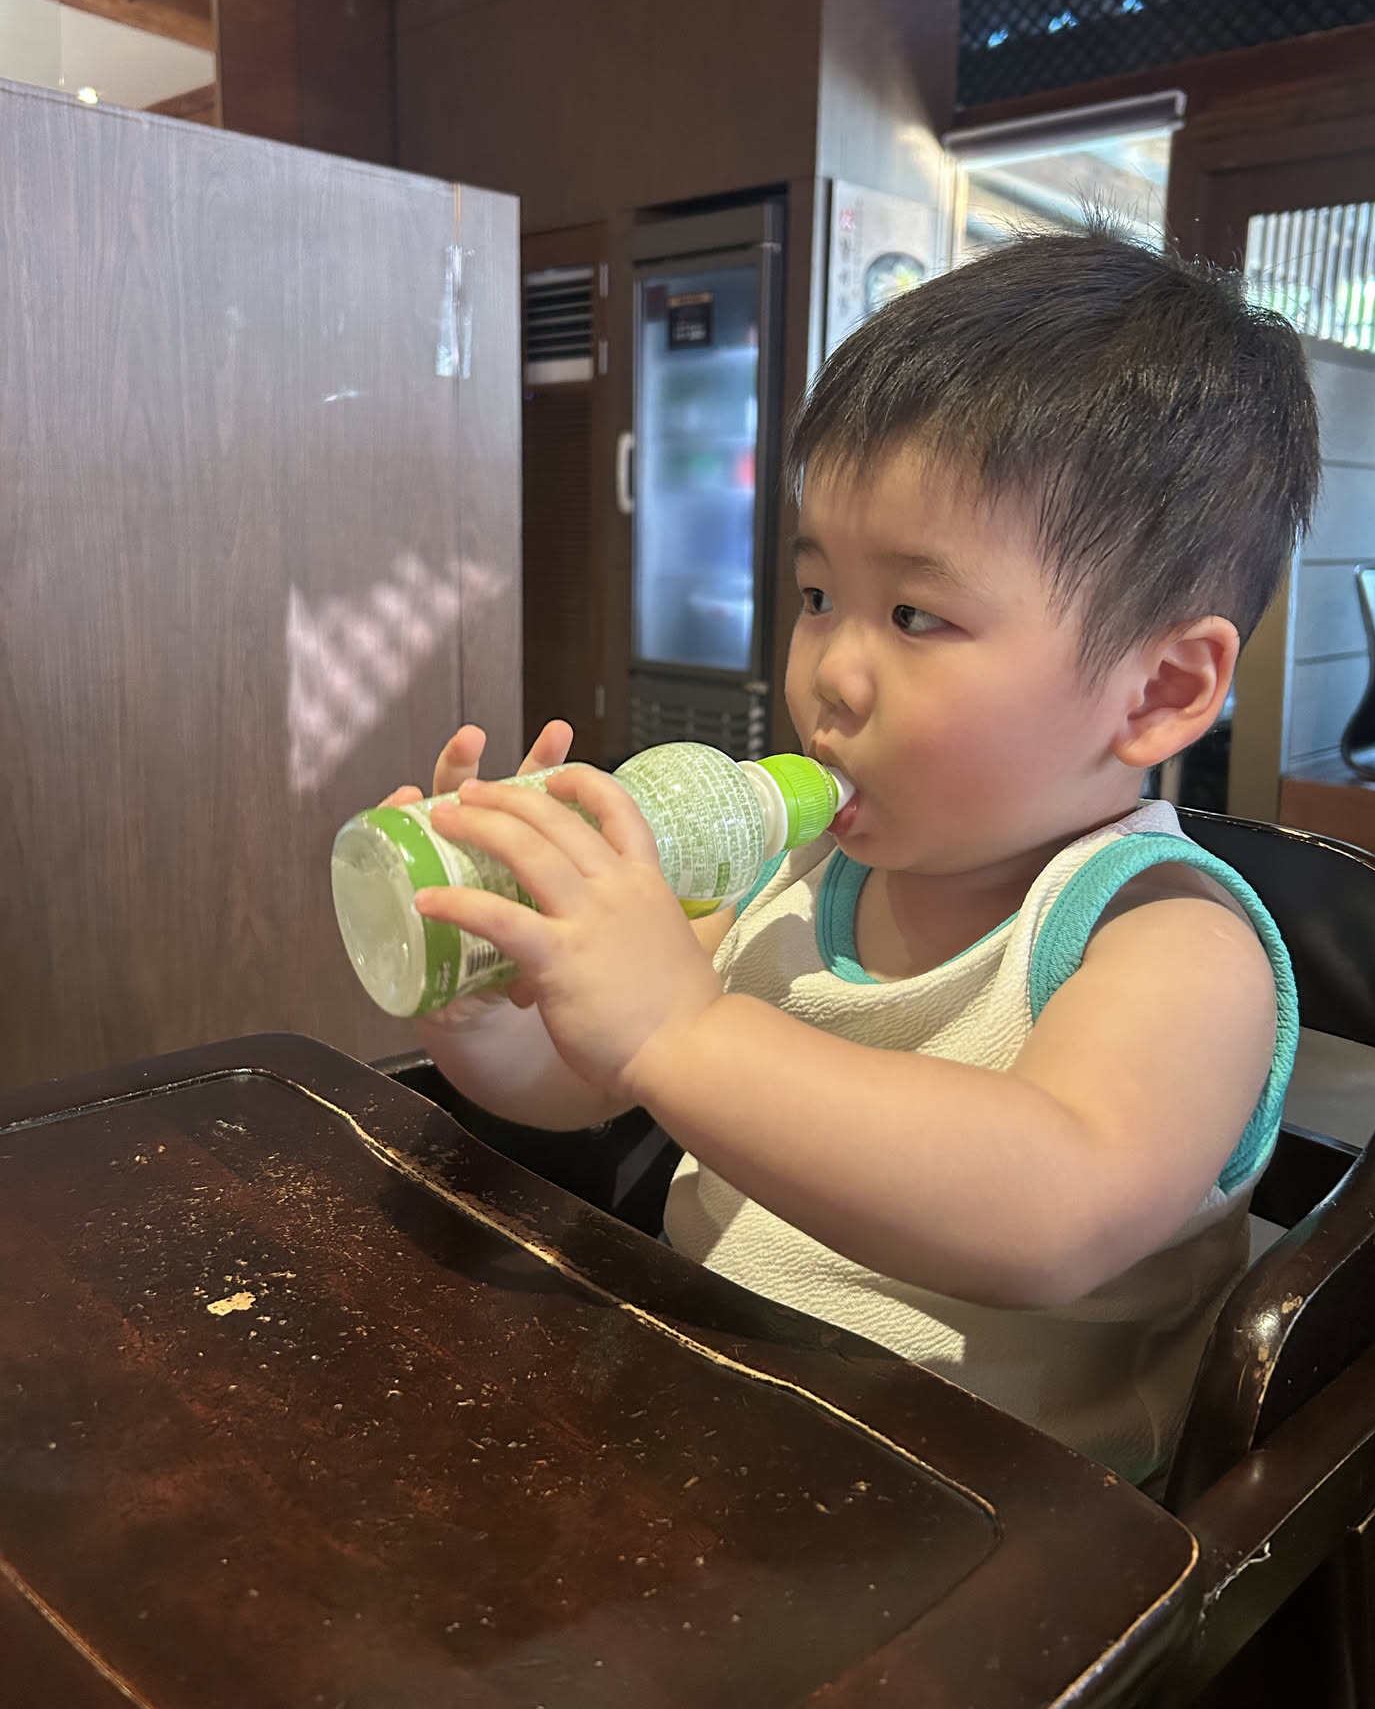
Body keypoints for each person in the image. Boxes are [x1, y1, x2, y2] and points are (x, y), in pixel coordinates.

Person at [385, 230, 1321, 1485]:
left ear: (1159, 689)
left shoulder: (1168, 945)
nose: (830, 673)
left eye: (915, 614)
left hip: (996, 1516)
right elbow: (588, 1080)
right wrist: (498, 996)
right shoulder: (797, 871)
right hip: (712, 1412)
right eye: (819, 595)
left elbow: (1052, 1208)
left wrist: (680, 1030)